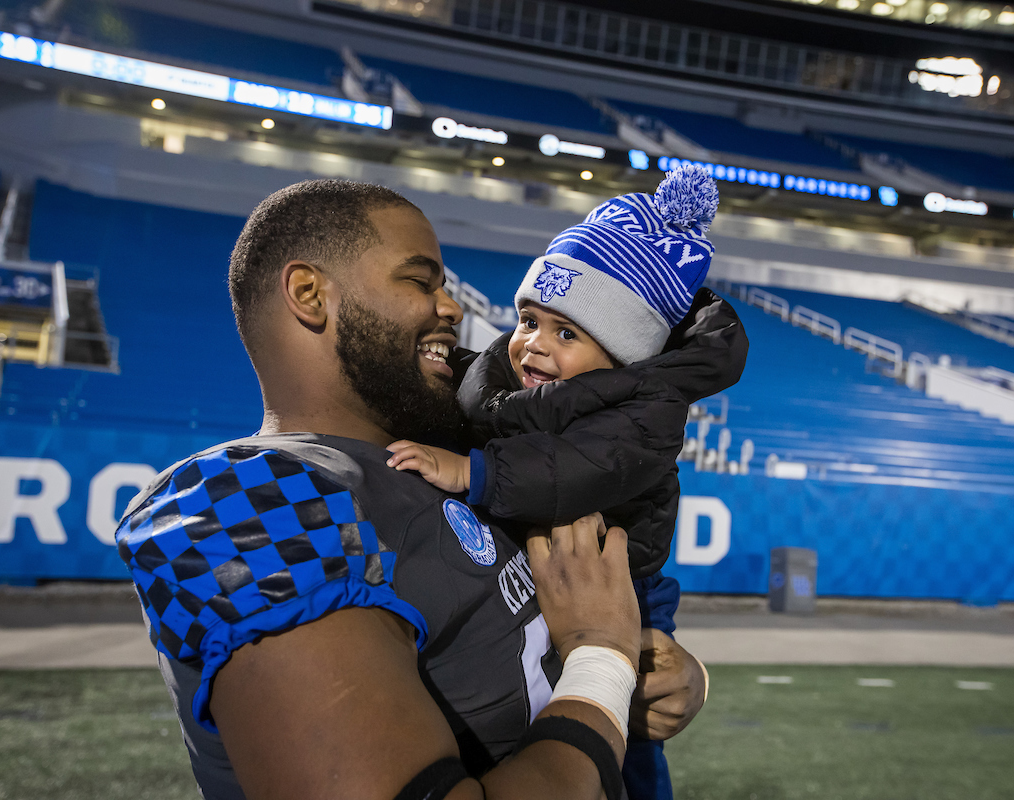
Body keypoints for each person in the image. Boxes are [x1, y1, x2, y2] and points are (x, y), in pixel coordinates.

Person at [113, 179, 708, 800]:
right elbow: (591, 641)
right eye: (420, 281)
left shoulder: (459, 454)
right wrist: (601, 661)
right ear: (310, 294)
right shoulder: (246, 500)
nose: (451, 308)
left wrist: (661, 676)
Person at [385, 165, 748, 799]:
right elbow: (480, 392)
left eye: (568, 333)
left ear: (622, 353)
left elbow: (574, 472)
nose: (532, 346)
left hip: (627, 583)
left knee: (627, 751)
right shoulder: (523, 382)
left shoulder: (643, 409)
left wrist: (474, 471)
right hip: (553, 581)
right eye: (528, 320)